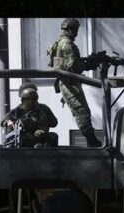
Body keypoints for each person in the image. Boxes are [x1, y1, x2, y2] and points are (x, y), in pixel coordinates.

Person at [47, 18, 102, 147]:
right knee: (81, 111)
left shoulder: (60, 42)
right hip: (69, 83)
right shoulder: (66, 44)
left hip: (68, 82)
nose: (77, 33)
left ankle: (91, 140)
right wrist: (89, 65)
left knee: (82, 110)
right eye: (75, 30)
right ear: (70, 29)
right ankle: (91, 141)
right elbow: (73, 66)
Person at [1, 83, 59, 148]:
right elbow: (3, 121)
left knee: (53, 136)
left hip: (41, 137)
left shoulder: (44, 109)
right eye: (28, 99)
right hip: (24, 138)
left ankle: (41, 144)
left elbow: (54, 123)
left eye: (34, 99)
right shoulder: (17, 111)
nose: (31, 101)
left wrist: (43, 128)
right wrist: (8, 121)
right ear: (23, 100)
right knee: (15, 139)